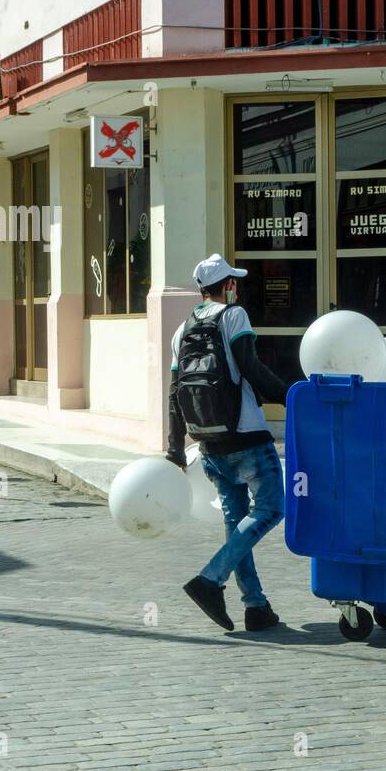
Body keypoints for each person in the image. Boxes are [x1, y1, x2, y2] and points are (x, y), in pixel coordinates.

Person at [166, 254, 288, 633]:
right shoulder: (233, 316)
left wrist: (174, 448)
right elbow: (250, 366)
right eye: (234, 282)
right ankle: (210, 579)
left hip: (209, 444)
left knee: (238, 525)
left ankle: (256, 607)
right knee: (270, 510)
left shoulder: (180, 332)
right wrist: (291, 397)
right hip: (247, 436)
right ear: (229, 286)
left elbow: (174, 394)